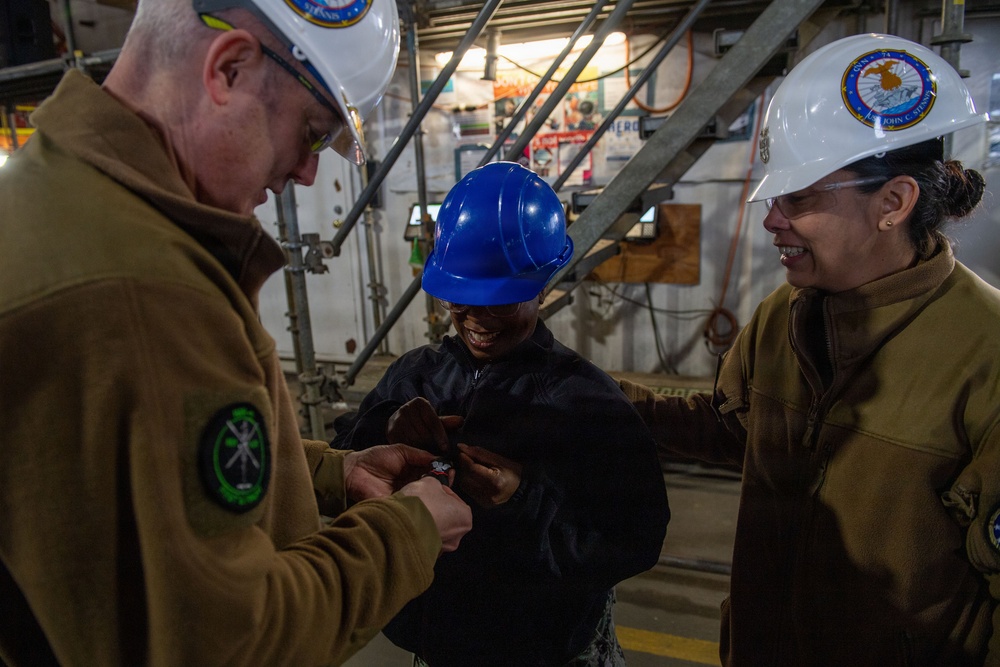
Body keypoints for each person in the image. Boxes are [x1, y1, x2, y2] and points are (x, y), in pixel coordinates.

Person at [0, 0, 472, 665]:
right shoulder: (146, 293)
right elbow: (238, 641)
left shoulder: (54, 200)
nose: (309, 171)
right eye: (312, 131)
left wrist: (333, 474)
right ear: (229, 69)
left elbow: (159, 477)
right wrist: (406, 531)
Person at [617, 33, 997, 665]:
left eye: (799, 198)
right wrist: (593, 395)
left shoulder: (986, 356)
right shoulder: (783, 316)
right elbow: (738, 429)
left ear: (893, 202)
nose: (771, 220)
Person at [332, 161, 670, 666]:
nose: (477, 319)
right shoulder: (414, 376)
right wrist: (386, 432)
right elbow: (344, 463)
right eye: (461, 302)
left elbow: (633, 539)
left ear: (540, 286)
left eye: (499, 302)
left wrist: (523, 501)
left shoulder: (588, 404)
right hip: (438, 648)